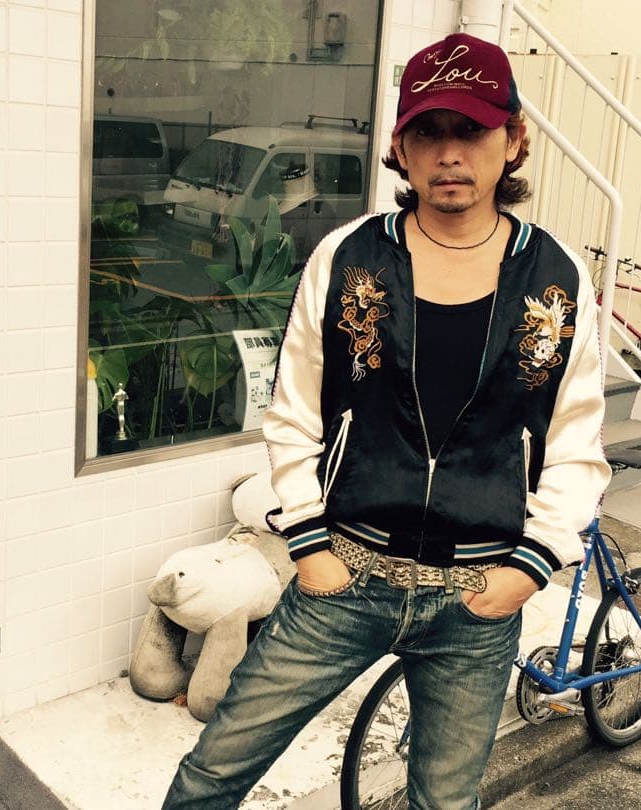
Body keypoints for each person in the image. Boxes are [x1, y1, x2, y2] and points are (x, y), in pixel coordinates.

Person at [162, 32, 610, 809]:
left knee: (444, 802)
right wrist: (308, 543)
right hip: (344, 576)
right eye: (427, 131)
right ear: (400, 148)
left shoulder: (556, 276)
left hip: (478, 596)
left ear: (514, 140)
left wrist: (529, 568)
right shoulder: (348, 258)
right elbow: (294, 411)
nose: (449, 153)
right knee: (213, 773)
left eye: (472, 129)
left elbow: (575, 439)